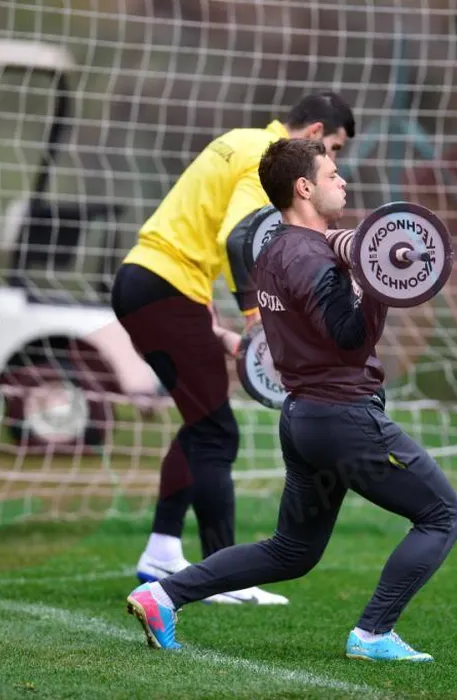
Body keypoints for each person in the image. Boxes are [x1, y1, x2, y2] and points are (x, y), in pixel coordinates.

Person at [124, 138, 457, 660]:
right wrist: (377, 284)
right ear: (304, 187)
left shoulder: (275, 251)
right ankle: (373, 633)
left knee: (294, 549)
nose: (343, 181)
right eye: (332, 174)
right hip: (345, 417)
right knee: (442, 515)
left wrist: (357, 258)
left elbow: (320, 286)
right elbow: (349, 341)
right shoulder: (309, 258)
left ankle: (164, 595)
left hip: (304, 419)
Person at [111, 92, 356, 605]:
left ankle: (162, 552)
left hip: (150, 281)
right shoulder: (267, 156)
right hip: (164, 287)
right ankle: (222, 576)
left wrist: (217, 325)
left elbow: (202, 235)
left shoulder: (241, 140)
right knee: (216, 432)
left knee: (202, 423)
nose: (332, 163)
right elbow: (239, 236)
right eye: (333, 149)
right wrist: (256, 318)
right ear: (314, 133)